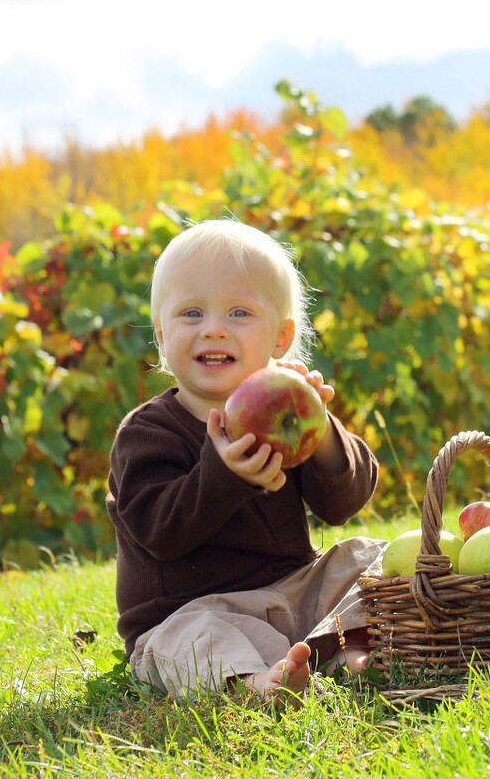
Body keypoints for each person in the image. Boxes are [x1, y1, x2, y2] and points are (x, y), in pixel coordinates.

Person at [107, 218, 385, 703]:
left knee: (369, 559)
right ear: (160, 336)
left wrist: (320, 434)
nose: (213, 329)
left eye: (239, 313)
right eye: (191, 314)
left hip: (294, 592)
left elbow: (344, 503)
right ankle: (258, 685)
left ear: (280, 340)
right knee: (191, 643)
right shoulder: (147, 433)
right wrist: (223, 473)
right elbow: (161, 532)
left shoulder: (285, 410)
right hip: (191, 610)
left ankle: (352, 648)